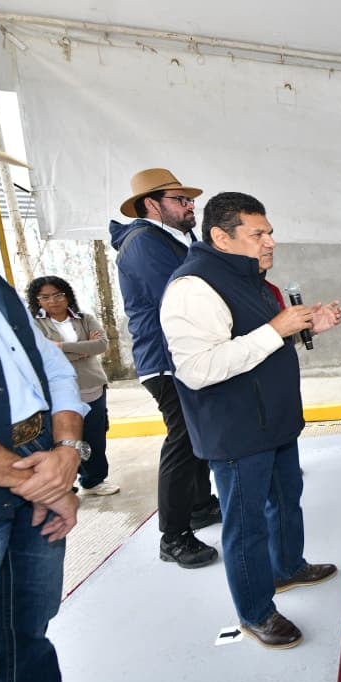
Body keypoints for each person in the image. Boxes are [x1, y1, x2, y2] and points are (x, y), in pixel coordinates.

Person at [160, 191, 341, 649]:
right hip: (238, 430)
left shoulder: (248, 278)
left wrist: (304, 329)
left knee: (285, 499)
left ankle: (288, 568)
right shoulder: (193, 287)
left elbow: (257, 343)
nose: (270, 242)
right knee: (247, 526)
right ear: (221, 237)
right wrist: (277, 328)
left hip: (273, 420)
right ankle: (256, 612)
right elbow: (197, 369)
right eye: (258, 234)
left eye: (270, 232)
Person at [109, 168, 220, 569]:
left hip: (182, 356)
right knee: (182, 439)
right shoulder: (143, 243)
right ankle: (173, 536)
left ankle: (200, 505)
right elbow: (179, 298)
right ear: (151, 204)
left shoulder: (173, 239)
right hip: (166, 361)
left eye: (190, 200)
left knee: (196, 434)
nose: (190, 206)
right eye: (180, 200)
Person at [0, 263, 89, 682]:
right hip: (11, 474)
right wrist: (43, 485)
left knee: (28, 624)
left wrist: (66, 451)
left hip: (39, 457)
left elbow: (55, 368)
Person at [27, 276, 119, 496]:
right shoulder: (35, 324)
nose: (53, 301)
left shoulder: (84, 318)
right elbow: (41, 352)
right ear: (37, 300)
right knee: (61, 439)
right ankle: (65, 484)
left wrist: (61, 347)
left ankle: (94, 480)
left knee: (95, 436)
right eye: (45, 297)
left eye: (58, 295)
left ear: (67, 295)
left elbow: (100, 345)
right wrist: (82, 349)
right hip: (57, 391)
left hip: (91, 385)